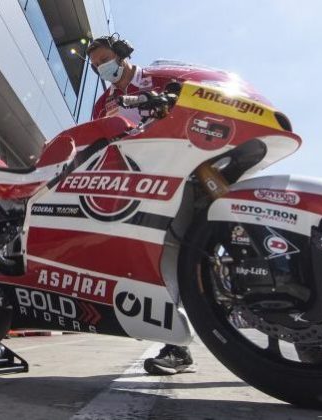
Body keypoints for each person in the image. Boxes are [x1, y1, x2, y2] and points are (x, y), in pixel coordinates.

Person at [87, 34, 196, 375]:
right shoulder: (103, 103)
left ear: (121, 55)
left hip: (186, 166)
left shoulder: (158, 77)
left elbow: (196, 97)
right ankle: (176, 345)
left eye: (104, 59)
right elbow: (93, 140)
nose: (101, 68)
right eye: (95, 65)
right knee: (164, 258)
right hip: (141, 186)